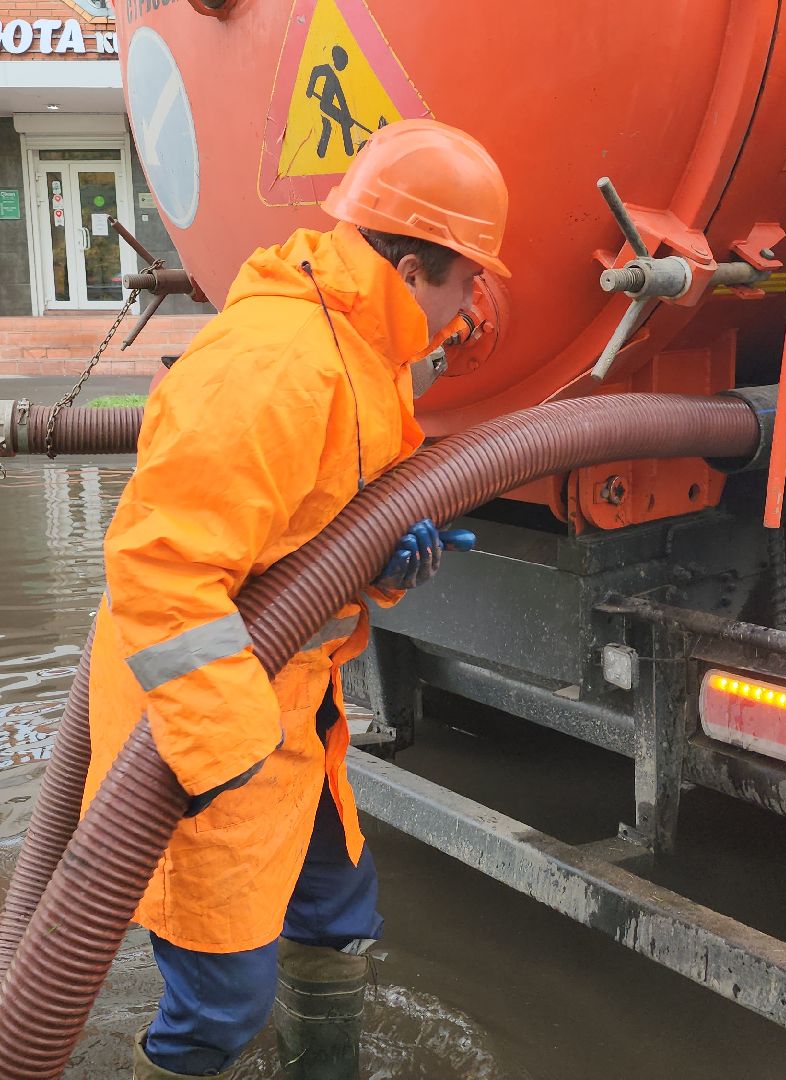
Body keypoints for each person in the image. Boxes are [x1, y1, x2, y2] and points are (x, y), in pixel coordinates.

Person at [81, 118, 511, 1080]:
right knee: (222, 1005)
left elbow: (295, 534)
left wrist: (380, 565)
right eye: (467, 276)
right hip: (210, 722)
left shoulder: (365, 353)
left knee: (336, 924)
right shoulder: (279, 362)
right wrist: (223, 751)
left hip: (294, 707)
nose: (476, 300)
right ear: (407, 265)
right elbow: (159, 570)